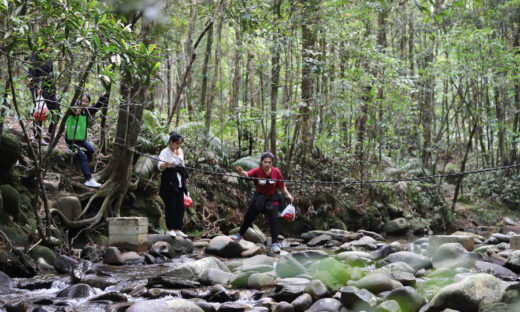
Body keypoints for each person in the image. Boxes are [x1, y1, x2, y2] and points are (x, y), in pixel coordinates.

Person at [234, 152, 294, 253]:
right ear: (261, 162)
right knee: (249, 216)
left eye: (269, 162)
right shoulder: (257, 171)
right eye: (265, 162)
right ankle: (239, 234)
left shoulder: (276, 172)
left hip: (272, 198)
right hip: (260, 198)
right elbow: (248, 174)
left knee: (274, 220)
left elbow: (282, 185)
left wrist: (288, 194)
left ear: (272, 163)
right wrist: (241, 172)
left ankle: (275, 244)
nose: (267, 164)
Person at [65, 93, 108, 188]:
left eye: (86, 102)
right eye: (82, 101)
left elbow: (96, 107)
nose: (84, 103)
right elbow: (69, 112)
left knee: (91, 150)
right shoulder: (74, 108)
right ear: (79, 100)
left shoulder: (87, 111)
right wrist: (75, 112)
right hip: (72, 140)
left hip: (81, 139)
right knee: (83, 156)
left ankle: (81, 161)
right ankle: (88, 179)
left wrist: (102, 97)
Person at [157, 132, 189, 238]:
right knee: (171, 206)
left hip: (179, 181)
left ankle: (177, 228)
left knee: (180, 206)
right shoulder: (164, 152)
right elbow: (160, 167)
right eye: (177, 144)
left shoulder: (180, 151)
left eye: (180, 144)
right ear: (171, 142)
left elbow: (182, 164)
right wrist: (166, 163)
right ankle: (170, 229)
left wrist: (186, 177)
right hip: (169, 181)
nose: (178, 146)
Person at [28, 49, 60, 145]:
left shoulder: (49, 57)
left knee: (57, 110)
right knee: (39, 112)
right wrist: (38, 87)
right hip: (38, 89)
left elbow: (51, 74)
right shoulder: (35, 56)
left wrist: (54, 88)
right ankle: (37, 138)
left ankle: (49, 134)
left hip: (49, 88)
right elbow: (32, 73)